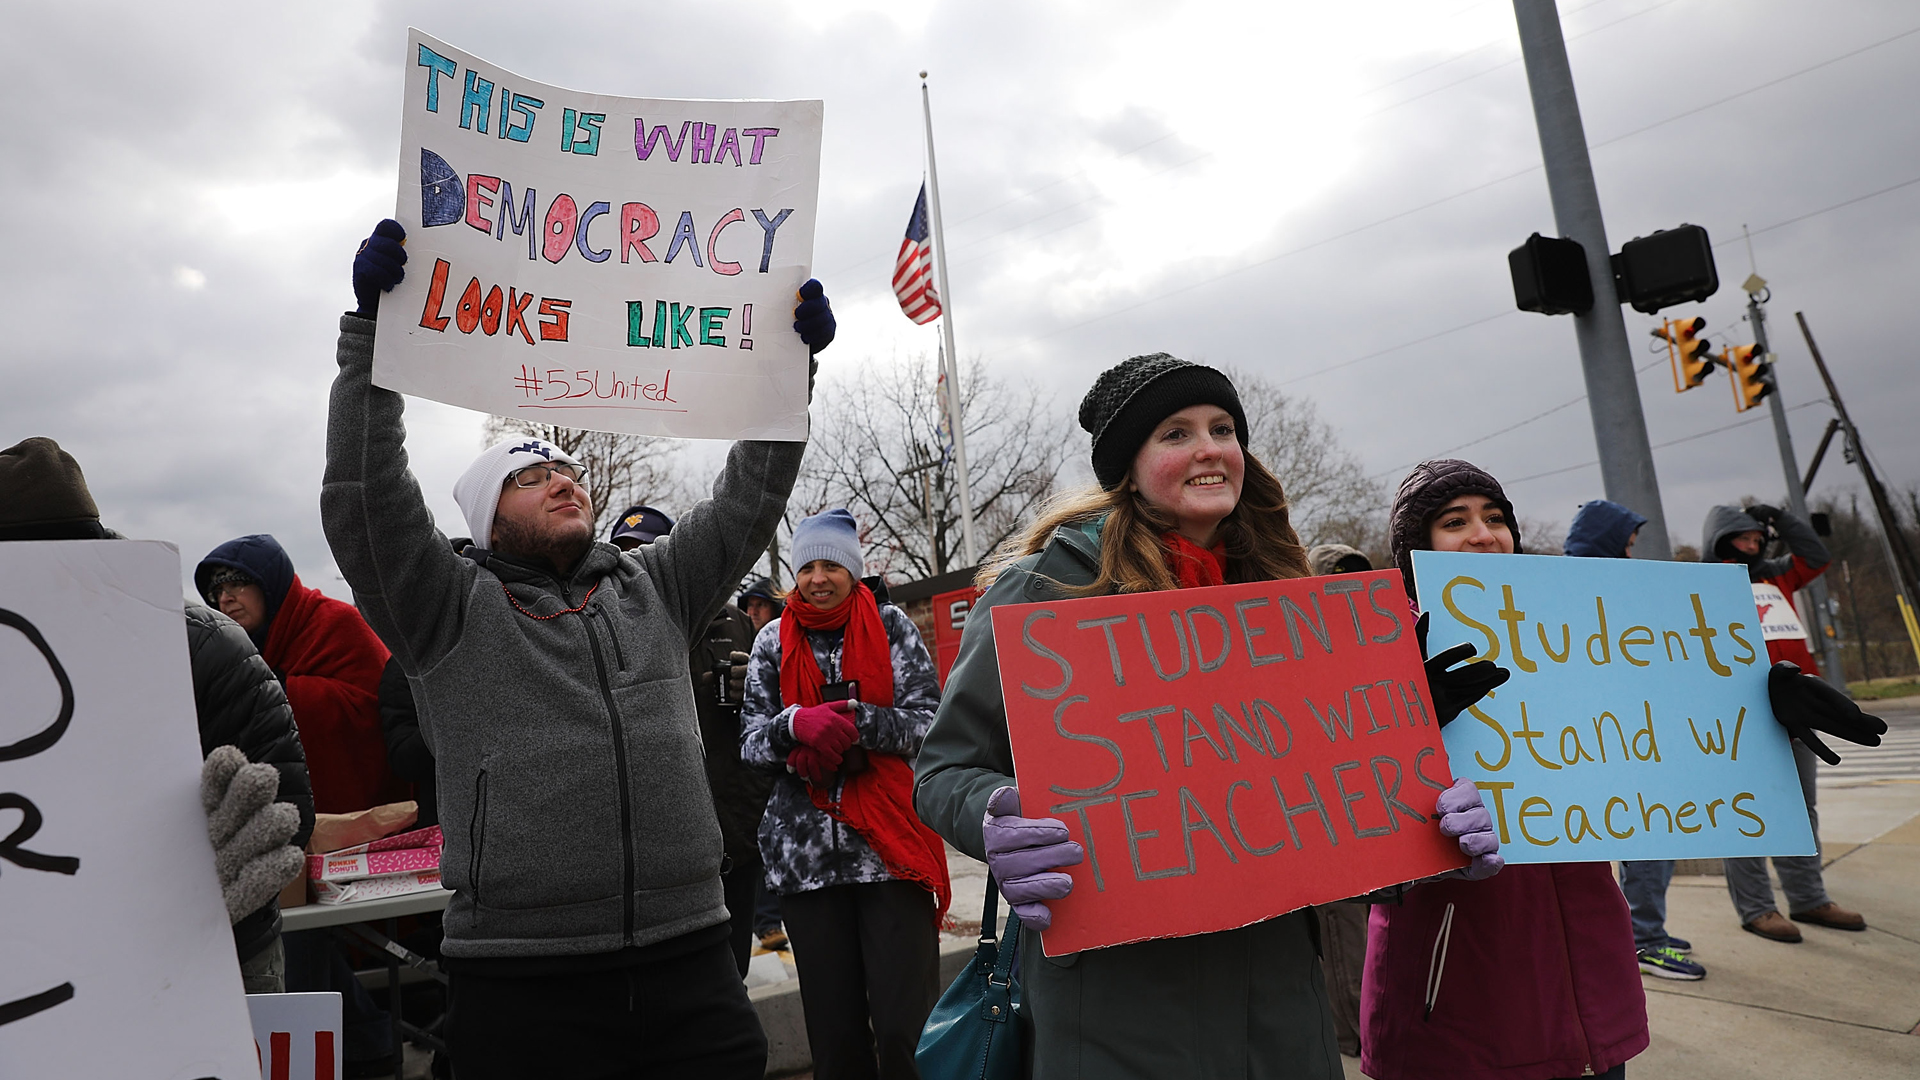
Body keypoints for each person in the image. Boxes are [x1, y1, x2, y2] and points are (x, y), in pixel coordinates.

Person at [323, 218, 835, 1078]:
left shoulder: (656, 587)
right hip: (522, 982)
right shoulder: (445, 608)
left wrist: (791, 374)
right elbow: (363, 500)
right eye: (530, 476)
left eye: (566, 469)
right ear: (488, 519)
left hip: (692, 961)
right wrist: (371, 343)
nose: (562, 478)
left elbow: (749, 496)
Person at [913, 356, 1504, 1080]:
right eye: (1175, 433)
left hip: (1278, 1008)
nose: (1209, 449)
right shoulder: (1039, 592)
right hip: (1111, 1009)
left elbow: (1324, 803)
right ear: (1128, 468)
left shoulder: (1297, 601)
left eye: (1223, 429)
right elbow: (943, 770)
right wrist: (995, 815)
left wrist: (1428, 832)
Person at [1364, 460, 1649, 1080]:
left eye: (1496, 518)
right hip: (1462, 976)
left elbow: (1659, 728)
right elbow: (1342, 812)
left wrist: (1759, 700)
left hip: (1587, 969)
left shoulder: (1576, 637)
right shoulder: (1378, 651)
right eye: (1454, 521)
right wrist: (1410, 723)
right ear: (1418, 547)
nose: (1484, 534)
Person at [0, 437, 312, 993]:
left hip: (211, 957)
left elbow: (287, 810)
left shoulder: (204, 645)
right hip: (31, 971)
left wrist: (211, 870)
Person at [740, 508, 946, 1080]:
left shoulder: (892, 626)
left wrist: (862, 724)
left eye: (832, 565)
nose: (818, 579)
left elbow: (931, 723)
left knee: (910, 1031)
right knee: (835, 1041)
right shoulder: (770, 643)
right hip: (805, 866)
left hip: (890, 855)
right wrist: (794, 726)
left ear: (854, 571)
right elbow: (751, 745)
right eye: (808, 567)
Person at [609, 504, 773, 977]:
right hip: (656, 841)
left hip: (734, 826)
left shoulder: (735, 622)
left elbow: (769, 719)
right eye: (624, 553)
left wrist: (756, 689)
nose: (633, 564)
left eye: (644, 552)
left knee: (732, 973)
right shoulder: (603, 626)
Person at [1705, 502, 1864, 941]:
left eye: (1759, 538)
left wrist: (1782, 519)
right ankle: (1757, 908)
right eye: (1745, 537)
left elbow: (1816, 556)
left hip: (1796, 711)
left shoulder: (1777, 574)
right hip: (1740, 716)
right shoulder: (1703, 582)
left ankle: (1809, 898)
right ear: (1722, 539)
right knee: (1746, 814)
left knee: (1800, 810)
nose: (1755, 545)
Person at [1565, 499, 1705, 981]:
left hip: (1631, 734)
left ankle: (1645, 929)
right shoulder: (1579, 587)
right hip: (1609, 742)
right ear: (1608, 539)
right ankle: (1646, 938)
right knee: (1648, 839)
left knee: (1655, 838)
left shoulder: (1609, 582)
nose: (1632, 549)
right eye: (1627, 540)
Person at [195, 533, 404, 815]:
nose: (225, 599)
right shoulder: (239, 647)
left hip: (361, 811)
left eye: (236, 584)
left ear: (269, 584)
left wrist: (273, 690)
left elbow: (373, 711)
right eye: (216, 592)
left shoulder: (336, 622)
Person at [1303, 541, 1378, 1058]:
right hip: (1322, 825)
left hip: (1372, 819)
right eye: (1335, 582)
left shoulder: (1375, 649)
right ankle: (1354, 1039)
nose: (1347, 593)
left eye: (1357, 583)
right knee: (1344, 934)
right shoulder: (1294, 654)